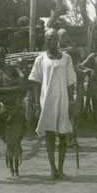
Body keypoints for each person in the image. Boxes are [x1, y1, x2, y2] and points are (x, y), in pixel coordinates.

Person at [29, 29, 76, 181]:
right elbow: (36, 82)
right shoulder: (40, 59)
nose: (52, 41)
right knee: (49, 136)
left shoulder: (66, 58)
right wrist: (37, 104)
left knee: (62, 135)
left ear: (58, 40)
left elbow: (70, 81)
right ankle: (52, 170)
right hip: (47, 101)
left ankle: (61, 170)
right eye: (49, 38)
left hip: (62, 100)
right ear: (45, 40)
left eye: (54, 38)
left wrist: (72, 101)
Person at [0, 47, 27, 179]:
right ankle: (11, 169)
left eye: (2, 54)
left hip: (15, 106)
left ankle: (15, 170)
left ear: (5, 56)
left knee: (15, 139)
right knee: (7, 140)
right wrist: (12, 89)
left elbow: (22, 84)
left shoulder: (12, 69)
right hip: (2, 109)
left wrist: (7, 90)